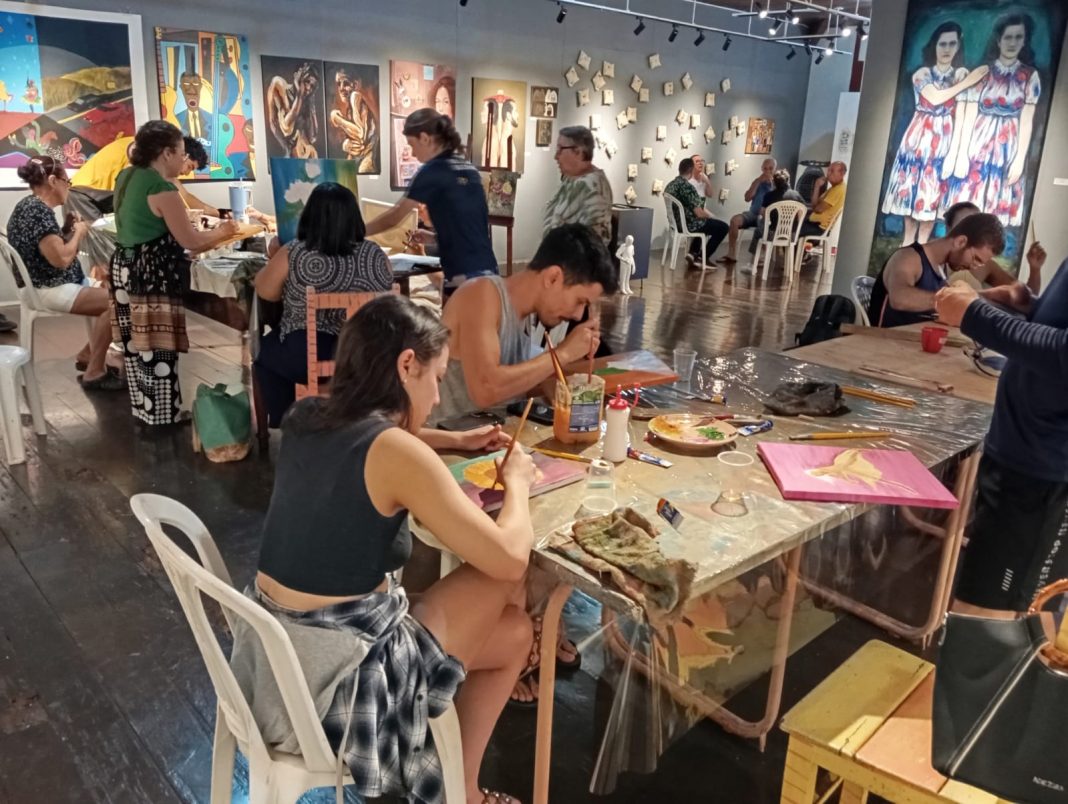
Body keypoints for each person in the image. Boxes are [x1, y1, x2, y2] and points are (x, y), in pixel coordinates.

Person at [241, 294, 532, 804]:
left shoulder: (305, 414)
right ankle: (458, 790)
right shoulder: (398, 453)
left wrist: (456, 441)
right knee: (503, 578)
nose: (437, 398)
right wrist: (520, 483)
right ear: (406, 365)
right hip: (338, 693)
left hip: (271, 670)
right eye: (436, 378)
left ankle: (464, 791)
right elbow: (510, 558)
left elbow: (370, 439)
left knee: (515, 634)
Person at [438, 223, 616, 705]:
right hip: (450, 446)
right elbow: (487, 389)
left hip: (491, 443)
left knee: (573, 502)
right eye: (579, 301)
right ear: (553, 277)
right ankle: (513, 637)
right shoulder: (482, 296)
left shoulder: (527, 316)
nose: (577, 314)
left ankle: (536, 622)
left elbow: (528, 380)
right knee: (530, 523)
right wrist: (563, 353)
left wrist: (569, 373)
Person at [935, 254, 1068, 619]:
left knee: (991, 619)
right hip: (1023, 452)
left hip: (1043, 471)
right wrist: (1031, 307)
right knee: (990, 601)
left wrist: (975, 315)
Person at [109, 121, 238, 426]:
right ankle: (163, 415)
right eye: (181, 153)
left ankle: (144, 409)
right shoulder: (161, 188)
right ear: (166, 153)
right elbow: (190, 240)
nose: (183, 160)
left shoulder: (126, 176)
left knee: (135, 345)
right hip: (150, 272)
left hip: (123, 266)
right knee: (158, 345)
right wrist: (224, 231)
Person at [253, 182, 393, 427]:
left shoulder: (295, 252)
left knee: (263, 353)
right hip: (367, 355)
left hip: (308, 354)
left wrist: (274, 257)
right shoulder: (376, 254)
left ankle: (290, 422)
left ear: (310, 216)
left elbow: (266, 291)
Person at [7, 156, 122, 389]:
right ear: (53, 181)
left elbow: (47, 248)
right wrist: (79, 232)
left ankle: (89, 353)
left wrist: (67, 230)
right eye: (66, 182)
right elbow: (60, 259)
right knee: (120, 303)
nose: (68, 187)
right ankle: (94, 372)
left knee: (116, 288)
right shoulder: (38, 212)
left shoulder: (29, 206)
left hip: (47, 283)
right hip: (49, 288)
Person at [880, 22, 989, 246]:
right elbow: (935, 97)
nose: (947, 49)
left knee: (932, 194)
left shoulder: (959, 74)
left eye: (952, 44)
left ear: (958, 47)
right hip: (919, 137)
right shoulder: (923, 74)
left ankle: (922, 245)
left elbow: (966, 108)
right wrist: (968, 82)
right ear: (935, 46)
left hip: (944, 138)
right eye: (942, 44)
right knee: (911, 193)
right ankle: (907, 244)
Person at [365, 109, 497, 290]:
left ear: (425, 138)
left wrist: (357, 232)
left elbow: (395, 217)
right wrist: (435, 238)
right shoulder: (468, 168)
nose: (412, 153)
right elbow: (469, 227)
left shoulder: (432, 171)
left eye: (412, 145)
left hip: (462, 273)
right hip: (488, 268)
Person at [946, 13, 1038, 226]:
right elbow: (969, 113)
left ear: (1024, 41)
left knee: (999, 195)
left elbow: (1027, 120)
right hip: (980, 140)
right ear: (999, 40)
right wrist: (962, 153)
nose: (1012, 43)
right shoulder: (984, 72)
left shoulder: (1029, 76)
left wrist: (1019, 158)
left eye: (1018, 37)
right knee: (972, 193)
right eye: (1008, 37)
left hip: (1008, 145)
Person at [867, 212, 1004, 327]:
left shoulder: (941, 267)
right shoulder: (908, 258)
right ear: (960, 242)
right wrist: (951, 301)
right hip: (884, 344)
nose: (973, 266)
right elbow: (899, 298)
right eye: (975, 258)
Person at [943, 201, 1045, 293]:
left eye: (977, 228)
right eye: (964, 227)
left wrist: (1035, 269)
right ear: (949, 229)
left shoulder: (983, 265)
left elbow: (1027, 298)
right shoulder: (936, 259)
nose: (971, 234)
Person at [543, 125, 614, 245]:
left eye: (561, 149)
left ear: (578, 152)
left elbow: (594, 243)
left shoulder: (592, 187)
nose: (556, 156)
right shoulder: (570, 178)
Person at [665, 158, 729, 267]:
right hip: (688, 225)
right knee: (723, 227)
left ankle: (693, 253)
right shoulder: (688, 187)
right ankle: (702, 257)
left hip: (675, 224)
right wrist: (709, 216)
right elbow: (699, 213)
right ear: (691, 170)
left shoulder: (670, 185)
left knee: (706, 224)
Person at [721, 157, 776, 264]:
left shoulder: (778, 184)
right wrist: (758, 182)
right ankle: (731, 253)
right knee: (734, 220)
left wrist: (772, 184)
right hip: (752, 214)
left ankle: (762, 256)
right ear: (762, 169)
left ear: (775, 169)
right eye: (765, 169)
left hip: (767, 218)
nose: (768, 171)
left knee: (763, 224)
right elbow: (747, 198)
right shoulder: (757, 181)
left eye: (770, 168)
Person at [266, 61, 321, 158]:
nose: (308, 88)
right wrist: (299, 95)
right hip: (287, 152)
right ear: (296, 76)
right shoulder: (280, 87)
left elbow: (313, 137)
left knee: (312, 153)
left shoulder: (307, 101)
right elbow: (286, 128)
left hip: (303, 153)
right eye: (306, 81)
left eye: (312, 86)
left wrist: (311, 105)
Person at [746, 168, 805, 257]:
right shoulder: (796, 195)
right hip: (792, 235)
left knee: (758, 229)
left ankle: (756, 258)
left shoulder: (769, 195)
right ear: (788, 181)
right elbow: (801, 214)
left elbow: (763, 213)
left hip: (773, 235)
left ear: (774, 182)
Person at [798, 160, 848, 239]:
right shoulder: (832, 188)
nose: (828, 174)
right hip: (813, 224)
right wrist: (817, 186)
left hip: (819, 228)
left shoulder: (839, 189)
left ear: (841, 174)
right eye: (828, 170)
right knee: (792, 224)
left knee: (791, 228)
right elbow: (814, 205)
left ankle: (790, 247)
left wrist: (814, 208)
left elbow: (818, 209)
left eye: (832, 171)